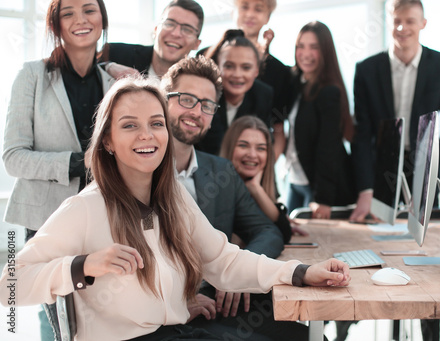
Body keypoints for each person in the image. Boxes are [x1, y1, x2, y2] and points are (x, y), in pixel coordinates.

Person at [0, 76, 351, 341]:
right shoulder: (84, 208)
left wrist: (301, 272)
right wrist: (84, 265)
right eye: (129, 126)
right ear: (107, 140)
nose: (147, 135)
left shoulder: (173, 198)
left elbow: (222, 260)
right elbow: (8, 286)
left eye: (156, 123)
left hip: (176, 331)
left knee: (294, 333)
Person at [162, 56, 314, 340]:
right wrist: (174, 300)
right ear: (163, 100)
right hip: (165, 317)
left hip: (220, 303)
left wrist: (237, 273)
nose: (196, 111)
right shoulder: (141, 170)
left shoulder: (221, 171)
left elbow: (268, 230)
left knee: (307, 336)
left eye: (206, 105)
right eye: (186, 99)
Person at [348, 1, 440, 340]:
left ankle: (430, 330)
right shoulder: (367, 68)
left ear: (423, 23)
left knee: (426, 247)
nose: (402, 28)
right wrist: (366, 189)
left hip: (428, 166)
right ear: (390, 21)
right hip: (385, 165)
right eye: (396, 21)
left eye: (409, 21)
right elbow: (362, 134)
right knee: (382, 247)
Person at [2, 0, 113, 339]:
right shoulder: (32, 76)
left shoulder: (113, 84)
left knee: (96, 315)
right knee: (58, 317)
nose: (80, 19)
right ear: (56, 25)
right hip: (46, 220)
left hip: (102, 219)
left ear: (102, 19)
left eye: (89, 10)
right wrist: (78, 163)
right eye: (68, 13)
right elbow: (13, 156)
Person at [276, 21, 355, 219]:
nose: (306, 54)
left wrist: (324, 199)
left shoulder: (329, 92)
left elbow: (328, 148)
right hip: (294, 179)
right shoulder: (297, 84)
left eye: (314, 47)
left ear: (325, 52)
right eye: (300, 46)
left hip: (317, 187)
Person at [220, 116, 308, 243]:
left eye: (261, 148)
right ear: (230, 148)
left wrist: (255, 188)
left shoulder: (258, 187)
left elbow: (283, 233)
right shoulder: (215, 191)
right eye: (243, 145)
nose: (252, 155)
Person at [197, 29, 273, 155]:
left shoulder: (263, 95)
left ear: (256, 71)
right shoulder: (204, 94)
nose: (237, 75)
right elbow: (212, 147)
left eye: (246, 68)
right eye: (229, 66)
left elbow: (263, 143)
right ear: (217, 67)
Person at [105, 0, 203, 78]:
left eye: (187, 29)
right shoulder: (115, 54)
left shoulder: (199, 83)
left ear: (196, 44)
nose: (175, 33)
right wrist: (107, 67)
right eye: (169, 24)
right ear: (155, 30)